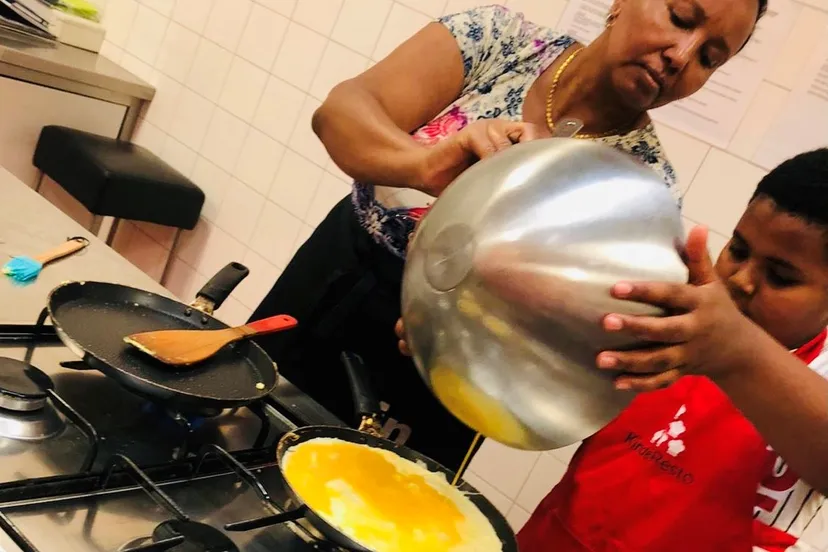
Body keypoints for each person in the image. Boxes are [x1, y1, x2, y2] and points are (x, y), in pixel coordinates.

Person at [250, 0, 766, 471]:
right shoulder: (499, 41)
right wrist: (426, 165)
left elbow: (574, 343)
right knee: (227, 434)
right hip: (333, 279)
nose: (682, 55)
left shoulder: (639, 186)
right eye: (680, 17)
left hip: (440, 372)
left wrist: (477, 322)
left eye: (710, 59)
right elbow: (340, 113)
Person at [507, 149, 828, 550]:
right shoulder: (669, 308)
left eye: (780, 277)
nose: (741, 280)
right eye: (739, 250)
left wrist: (735, 350)